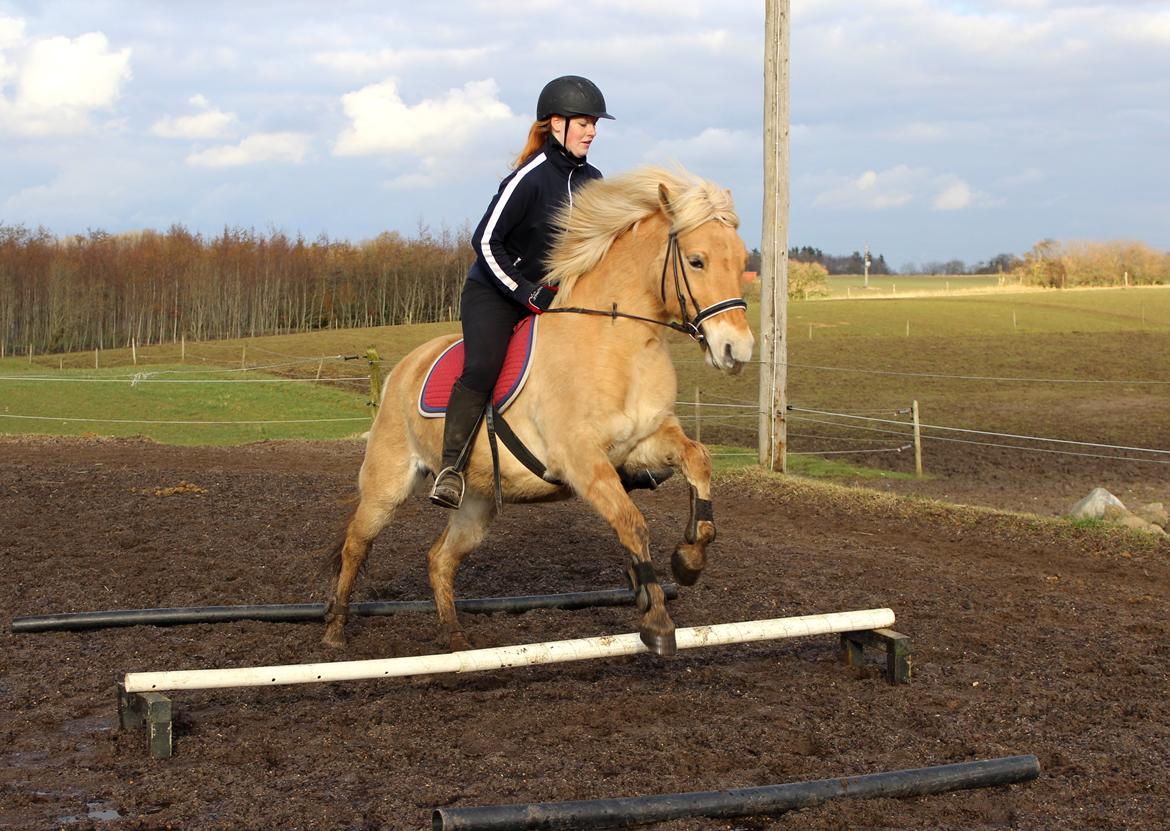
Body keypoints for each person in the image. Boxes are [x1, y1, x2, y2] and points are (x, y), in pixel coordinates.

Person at [430, 76, 670, 509]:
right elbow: (485, 241)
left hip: (555, 299)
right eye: (583, 123)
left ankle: (622, 461)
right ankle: (450, 468)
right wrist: (524, 293)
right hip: (497, 293)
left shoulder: (594, 181)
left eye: (594, 124)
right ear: (555, 124)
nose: (592, 131)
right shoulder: (530, 177)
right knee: (483, 366)